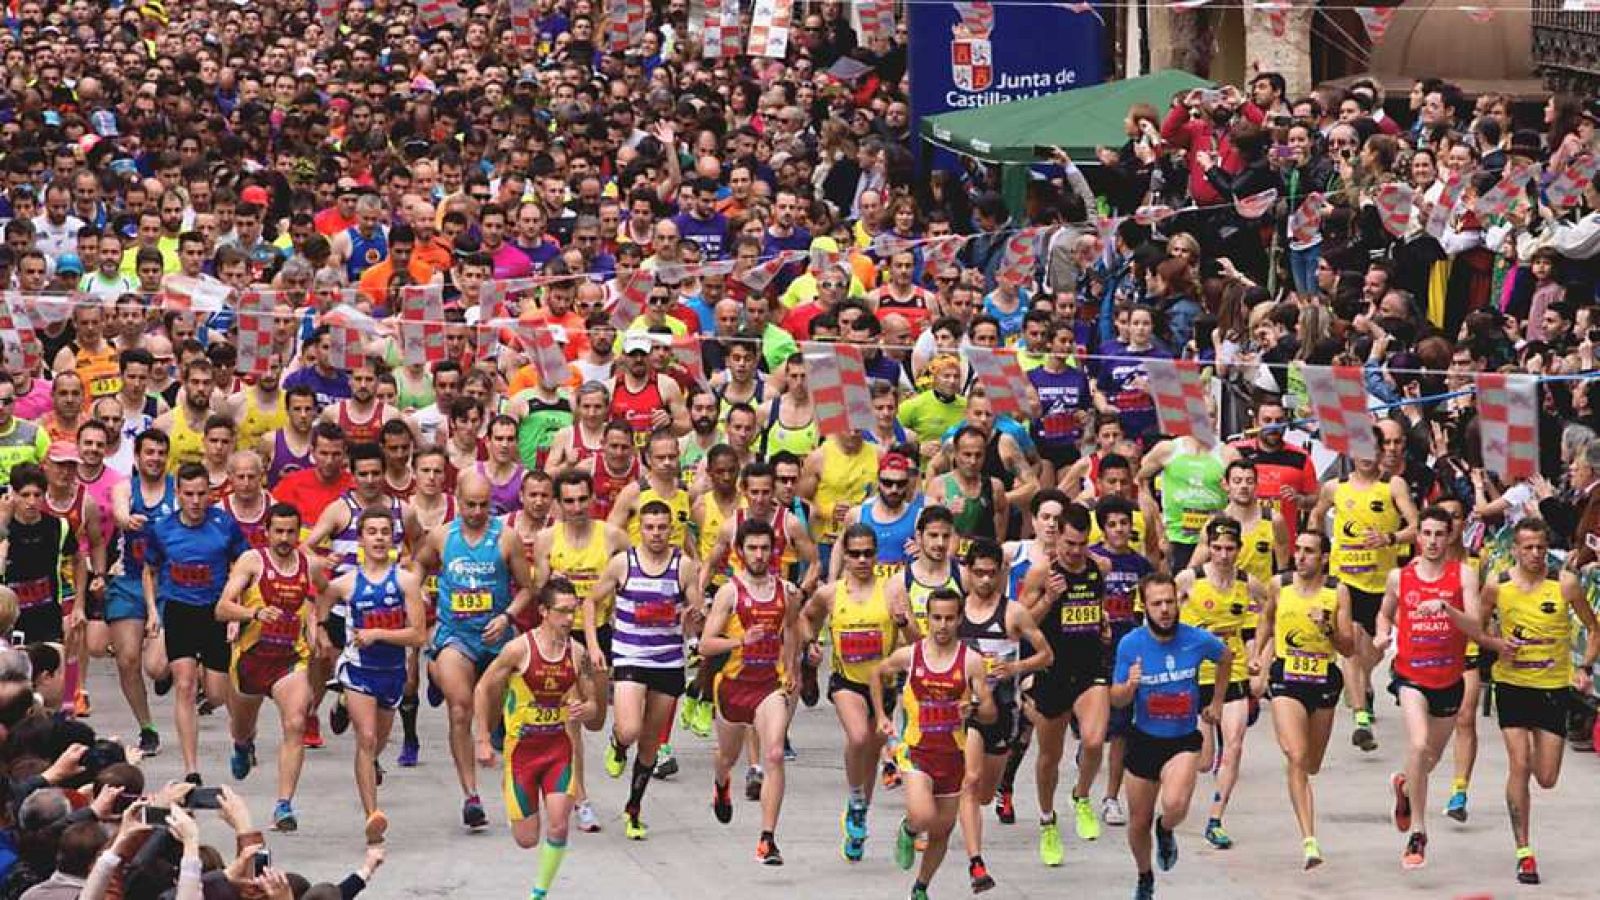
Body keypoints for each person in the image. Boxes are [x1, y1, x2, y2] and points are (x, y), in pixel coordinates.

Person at [1372, 506, 1496, 871]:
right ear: (1417, 536)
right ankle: (1419, 832)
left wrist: (1444, 607)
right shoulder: (1400, 576)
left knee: (1427, 762)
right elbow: (1384, 611)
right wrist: (1382, 633)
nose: (1431, 541)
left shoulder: (1464, 576)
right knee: (1418, 743)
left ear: (1450, 536)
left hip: (1449, 679)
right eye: (1425, 533)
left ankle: (1405, 786)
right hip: (1411, 675)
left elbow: (1475, 627)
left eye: (1439, 534)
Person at [411, 471, 535, 830]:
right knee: (461, 710)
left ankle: (483, 726)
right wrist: (418, 591)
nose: (477, 512)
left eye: (484, 505)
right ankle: (471, 796)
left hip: (495, 636)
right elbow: (417, 563)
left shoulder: (505, 538)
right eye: (470, 505)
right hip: (456, 635)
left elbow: (527, 588)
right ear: (457, 500)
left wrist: (508, 614)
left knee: (492, 718)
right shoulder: (442, 536)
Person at [1480, 517, 1599, 885]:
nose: (1535, 554)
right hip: (1513, 685)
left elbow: (1594, 628)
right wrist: (1498, 645)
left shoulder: (1564, 585)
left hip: (1551, 688)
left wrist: (1585, 666)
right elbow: (1478, 629)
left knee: (1545, 777)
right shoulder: (1497, 586)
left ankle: (1526, 794)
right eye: (1528, 547)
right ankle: (1524, 852)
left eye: (1541, 548)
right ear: (1515, 550)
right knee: (1520, 763)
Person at [473, 577, 603, 900]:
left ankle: (539, 893)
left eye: (573, 611)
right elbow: (483, 688)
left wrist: (581, 708)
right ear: (543, 611)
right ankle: (514, 797)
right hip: (521, 754)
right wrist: (483, 739)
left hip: (558, 749)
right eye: (562, 612)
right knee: (527, 839)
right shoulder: (518, 649)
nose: (570, 619)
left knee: (559, 825)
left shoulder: (577, 653)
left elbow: (594, 707)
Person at [1111, 572, 1233, 900]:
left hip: (1182, 739)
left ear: (1178, 602)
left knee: (1175, 803)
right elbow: (1117, 698)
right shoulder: (1130, 644)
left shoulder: (1196, 639)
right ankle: (1144, 876)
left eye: (1169, 602)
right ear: (1145, 607)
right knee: (1138, 823)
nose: (1164, 609)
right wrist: (1131, 685)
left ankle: (1166, 830)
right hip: (1144, 739)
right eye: (1156, 603)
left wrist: (1217, 702)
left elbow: (1225, 658)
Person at [870, 587, 996, 900]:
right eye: (936, 617)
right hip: (916, 752)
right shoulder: (911, 655)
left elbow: (991, 713)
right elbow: (878, 673)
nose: (942, 625)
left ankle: (921, 887)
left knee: (941, 832)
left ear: (960, 620)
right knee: (923, 815)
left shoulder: (972, 662)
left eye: (949, 618)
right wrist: (881, 715)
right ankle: (909, 830)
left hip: (953, 757)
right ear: (927, 618)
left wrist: (976, 707)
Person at [798, 524, 912, 862]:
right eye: (855, 553)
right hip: (847, 681)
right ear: (844, 555)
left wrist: (904, 623)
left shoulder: (892, 591)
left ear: (876, 554)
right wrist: (812, 644)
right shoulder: (831, 593)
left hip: (884, 686)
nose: (862, 560)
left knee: (873, 750)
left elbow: (919, 642)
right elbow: (807, 618)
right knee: (860, 738)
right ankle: (855, 795)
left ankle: (860, 812)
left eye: (868, 553)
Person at [587, 500, 701, 839]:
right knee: (631, 729)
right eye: (649, 527)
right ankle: (619, 744)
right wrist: (595, 646)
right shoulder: (624, 564)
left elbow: (695, 611)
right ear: (640, 529)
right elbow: (591, 601)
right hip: (629, 656)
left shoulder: (684, 566)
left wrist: (693, 617)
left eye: (662, 527)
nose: (656, 534)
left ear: (671, 529)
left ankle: (633, 809)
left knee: (651, 743)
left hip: (667, 660)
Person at [314, 506, 427, 846]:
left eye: (384, 532)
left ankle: (347, 715)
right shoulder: (346, 583)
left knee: (377, 743)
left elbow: (418, 635)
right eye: (371, 532)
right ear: (361, 539)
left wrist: (379, 634)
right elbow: (322, 600)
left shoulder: (406, 581)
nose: (378, 538)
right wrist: (319, 630)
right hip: (358, 669)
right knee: (365, 739)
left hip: (392, 672)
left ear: (392, 538)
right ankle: (372, 816)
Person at [214, 502, 329, 832]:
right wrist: (253, 614)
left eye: (291, 532)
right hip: (251, 659)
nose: (284, 538)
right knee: (242, 725)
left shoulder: (309, 563)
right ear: (267, 532)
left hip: (291, 660)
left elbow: (322, 593)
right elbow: (222, 608)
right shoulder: (253, 562)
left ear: (298, 533)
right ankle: (242, 745)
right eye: (278, 531)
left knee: (295, 723)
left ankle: (283, 805)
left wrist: (315, 625)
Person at [530, 468, 630, 833]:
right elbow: (538, 589)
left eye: (581, 499)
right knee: (571, 721)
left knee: (596, 718)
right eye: (568, 501)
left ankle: (618, 741)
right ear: (558, 503)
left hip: (600, 635)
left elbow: (635, 574)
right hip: (561, 638)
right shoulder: (546, 540)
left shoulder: (612, 537)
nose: (575, 507)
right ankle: (581, 799)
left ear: (593, 499)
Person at [1251, 530, 1354, 869]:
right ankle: (1310, 841)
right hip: (1287, 678)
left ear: (1324, 557)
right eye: (1297, 550)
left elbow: (1348, 647)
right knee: (1296, 757)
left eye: (1309, 551)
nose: (1301, 556)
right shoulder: (1279, 584)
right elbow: (1266, 620)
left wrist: (1328, 629)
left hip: (1323, 679)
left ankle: (1298, 768)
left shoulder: (1336, 591)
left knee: (1311, 764)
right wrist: (1258, 657)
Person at [700, 518, 800, 865]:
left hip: (769, 687)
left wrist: (793, 671)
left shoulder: (786, 592)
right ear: (739, 552)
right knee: (726, 757)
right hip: (732, 686)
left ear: (775, 551)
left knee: (773, 755)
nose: (759, 555)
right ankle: (721, 784)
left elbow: (791, 632)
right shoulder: (730, 592)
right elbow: (705, 645)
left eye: (765, 548)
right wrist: (741, 640)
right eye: (752, 548)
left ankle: (767, 839)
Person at [1017, 502, 1111, 866]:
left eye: (1081, 544)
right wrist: (1049, 599)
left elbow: (1097, 604)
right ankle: (1047, 820)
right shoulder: (1042, 573)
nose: (1074, 552)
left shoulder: (1099, 567)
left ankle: (1082, 796)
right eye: (1068, 544)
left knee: (1093, 739)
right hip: (1052, 671)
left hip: (1090, 668)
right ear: (1057, 538)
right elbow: (1023, 623)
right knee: (1049, 756)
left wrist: (1100, 622)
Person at [142, 462, 248, 784]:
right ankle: (191, 770)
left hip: (215, 612)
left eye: (202, 494)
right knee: (184, 686)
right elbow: (150, 569)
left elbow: (242, 567)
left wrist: (236, 611)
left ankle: (243, 740)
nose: (196, 501)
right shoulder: (162, 529)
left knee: (216, 694)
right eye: (189, 494)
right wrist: (152, 611)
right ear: (178, 495)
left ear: (211, 494)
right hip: (180, 611)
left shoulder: (225, 526)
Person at [956, 539, 1052, 893]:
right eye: (977, 573)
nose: (983, 580)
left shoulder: (1013, 613)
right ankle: (976, 864)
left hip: (1004, 711)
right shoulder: (954, 610)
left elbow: (1046, 655)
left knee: (983, 794)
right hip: (966, 711)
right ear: (967, 572)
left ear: (1001, 575)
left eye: (990, 574)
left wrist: (1015, 666)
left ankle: (925, 821)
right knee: (969, 781)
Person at [1310, 438, 1418, 753]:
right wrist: (1317, 546)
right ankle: (1361, 720)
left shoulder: (1393, 485)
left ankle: (1365, 685)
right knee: (1351, 647)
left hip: (1381, 583)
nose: (1366, 458)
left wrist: (1389, 537)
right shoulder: (1334, 488)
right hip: (1347, 581)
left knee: (1375, 650)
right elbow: (1316, 514)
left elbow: (1416, 525)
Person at [1175, 517, 1267, 850]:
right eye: (1217, 548)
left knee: (1236, 745)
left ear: (1239, 550)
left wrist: (1261, 654)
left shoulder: (1250, 584)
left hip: (1236, 672)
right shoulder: (1189, 580)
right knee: (1201, 762)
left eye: (1230, 549)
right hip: (1196, 676)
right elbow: (1158, 615)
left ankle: (1215, 819)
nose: (1223, 555)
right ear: (1208, 548)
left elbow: (1268, 619)